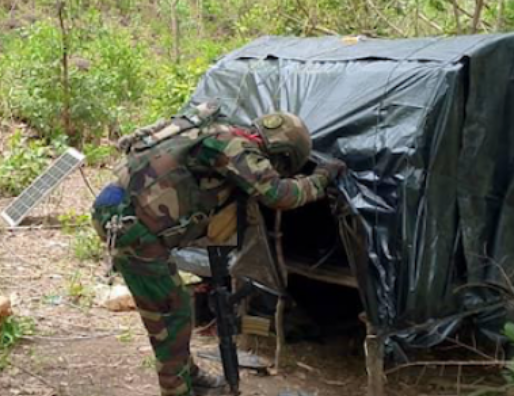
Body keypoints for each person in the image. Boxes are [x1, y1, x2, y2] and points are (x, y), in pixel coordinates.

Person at [91, 103, 345, 396]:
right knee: (170, 319)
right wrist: (323, 177)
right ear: (282, 153)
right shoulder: (234, 146)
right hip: (133, 229)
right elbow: (279, 194)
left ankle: (191, 377)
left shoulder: (216, 130)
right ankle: (177, 390)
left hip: (124, 217)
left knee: (174, 312)